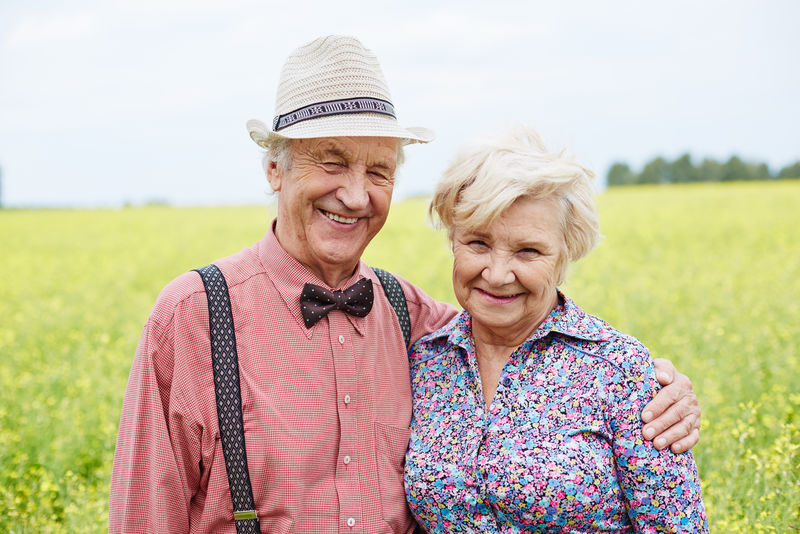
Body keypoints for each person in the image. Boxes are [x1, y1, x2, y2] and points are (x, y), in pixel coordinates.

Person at [109, 36, 701, 533]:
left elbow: (521, 322)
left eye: (379, 172)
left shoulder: (416, 319)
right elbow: (144, 514)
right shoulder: (193, 315)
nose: (356, 194)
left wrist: (659, 386)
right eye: (331, 162)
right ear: (274, 168)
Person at [404, 124, 708, 532]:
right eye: (477, 243)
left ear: (566, 255)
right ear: (453, 240)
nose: (496, 274)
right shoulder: (423, 362)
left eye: (528, 251)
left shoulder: (618, 370)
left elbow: (676, 526)